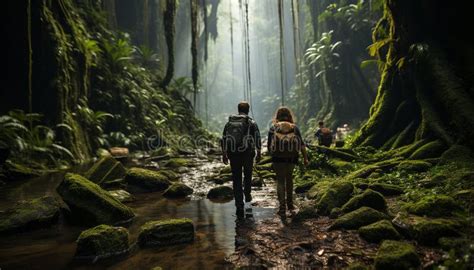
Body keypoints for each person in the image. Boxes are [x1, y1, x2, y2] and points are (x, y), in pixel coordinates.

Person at [221, 101, 261, 217]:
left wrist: (224, 153)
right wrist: (259, 152)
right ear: (248, 110)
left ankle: (239, 205)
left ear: (238, 109)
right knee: (248, 175)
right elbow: (257, 137)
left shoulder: (229, 123)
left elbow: (224, 138)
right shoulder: (251, 122)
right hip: (248, 153)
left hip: (233, 154)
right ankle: (248, 199)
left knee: (236, 178)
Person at [267, 107, 308, 217]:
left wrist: (273, 156)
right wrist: (305, 158)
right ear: (289, 116)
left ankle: (282, 207)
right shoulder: (294, 128)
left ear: (277, 116)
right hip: (291, 157)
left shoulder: (273, 128)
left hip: (278, 158)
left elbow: (268, 146)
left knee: (280, 181)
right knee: (289, 178)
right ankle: (290, 205)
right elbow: (301, 144)